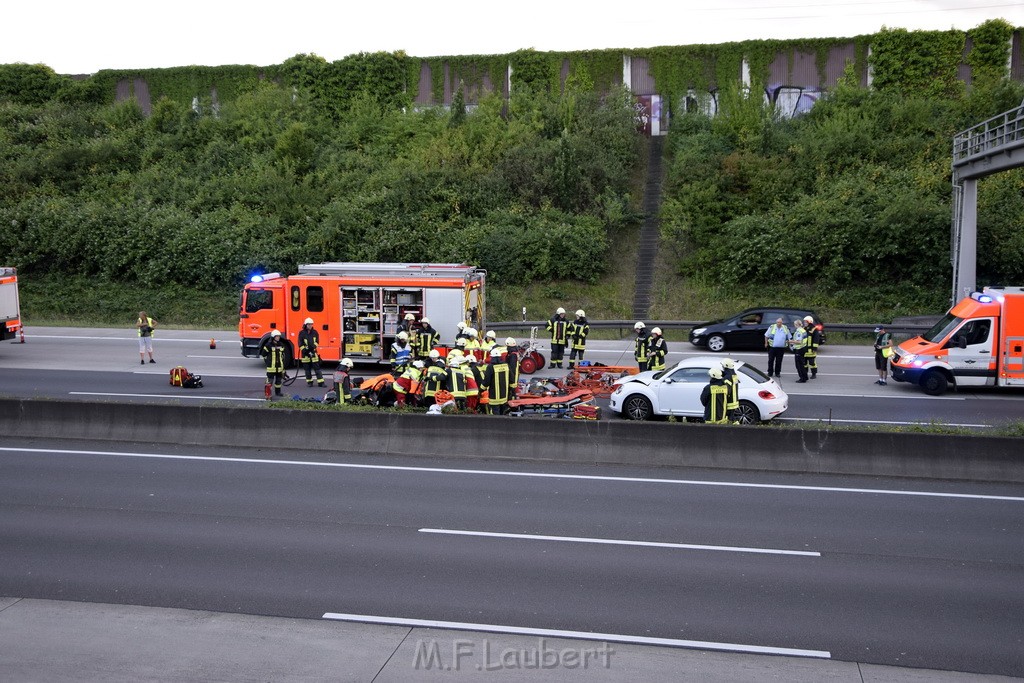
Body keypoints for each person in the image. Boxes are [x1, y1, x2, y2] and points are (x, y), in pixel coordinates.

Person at [483, 347, 514, 415]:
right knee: (503, 413)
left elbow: (486, 381)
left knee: (495, 415)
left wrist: (481, 389)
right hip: (504, 396)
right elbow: (512, 379)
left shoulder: (490, 367)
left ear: (492, 357)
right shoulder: (506, 365)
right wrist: (511, 390)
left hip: (494, 397)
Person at [298, 317, 325, 387]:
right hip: (305, 355)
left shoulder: (315, 332)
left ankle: (321, 382)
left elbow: (317, 342)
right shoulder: (301, 333)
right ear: (305, 325)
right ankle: (310, 382)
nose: (310, 326)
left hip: (313, 353)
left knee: (317, 369)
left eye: (311, 324)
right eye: (309, 324)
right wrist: (305, 351)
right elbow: (300, 344)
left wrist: (313, 348)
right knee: (307, 370)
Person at [261, 329, 286, 397]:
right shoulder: (268, 345)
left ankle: (278, 392)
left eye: (279, 336)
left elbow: (283, 357)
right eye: (277, 336)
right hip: (271, 368)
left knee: (278, 382)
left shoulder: (281, 345)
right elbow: (263, 354)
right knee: (269, 382)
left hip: (279, 368)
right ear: (273, 337)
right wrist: (268, 362)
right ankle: (268, 394)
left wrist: (283, 369)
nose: (278, 337)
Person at [721, 358, 740, 422]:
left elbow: (727, 390)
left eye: (723, 366)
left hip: (730, 402)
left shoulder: (727, 377)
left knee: (728, 419)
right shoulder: (734, 375)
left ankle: (735, 430)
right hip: (735, 401)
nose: (722, 367)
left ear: (726, 366)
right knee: (732, 418)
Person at [803, 315, 822, 379]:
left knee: (812, 363)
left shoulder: (814, 329)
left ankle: (814, 374)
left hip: (811, 349)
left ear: (809, 322)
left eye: (806, 322)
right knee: (804, 363)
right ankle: (805, 373)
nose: (804, 323)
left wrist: (814, 348)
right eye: (804, 322)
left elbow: (816, 339)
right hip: (804, 349)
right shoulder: (804, 329)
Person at [790, 318, 808, 383]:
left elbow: (799, 341)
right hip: (803, 348)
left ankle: (802, 378)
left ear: (797, 324)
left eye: (794, 324)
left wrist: (790, 341)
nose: (794, 325)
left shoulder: (799, 331)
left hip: (799, 349)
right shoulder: (803, 330)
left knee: (799, 365)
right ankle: (805, 377)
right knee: (802, 364)